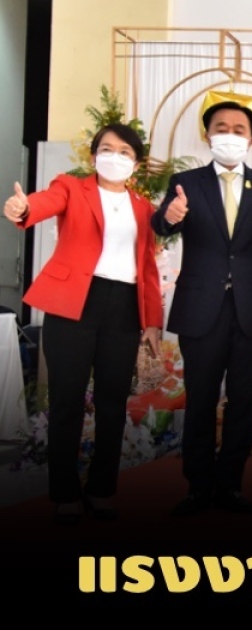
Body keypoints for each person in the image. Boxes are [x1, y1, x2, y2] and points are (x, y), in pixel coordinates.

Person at [3, 123, 163, 524]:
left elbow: (147, 268)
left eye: (125, 152)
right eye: (106, 149)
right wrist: (23, 208)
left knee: (113, 403)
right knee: (66, 401)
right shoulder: (72, 187)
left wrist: (152, 322)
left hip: (124, 309)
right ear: (94, 156)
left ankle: (102, 490)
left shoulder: (144, 207)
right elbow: (43, 203)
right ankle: (65, 493)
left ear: (136, 164)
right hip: (72, 305)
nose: (114, 156)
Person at [152, 98, 252, 517]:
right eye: (221, 128)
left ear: (251, 138)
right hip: (201, 307)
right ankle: (198, 487)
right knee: (200, 399)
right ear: (207, 134)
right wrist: (171, 215)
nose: (230, 135)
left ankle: (230, 486)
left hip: (251, 309)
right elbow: (162, 225)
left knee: (243, 400)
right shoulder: (186, 182)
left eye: (238, 129)